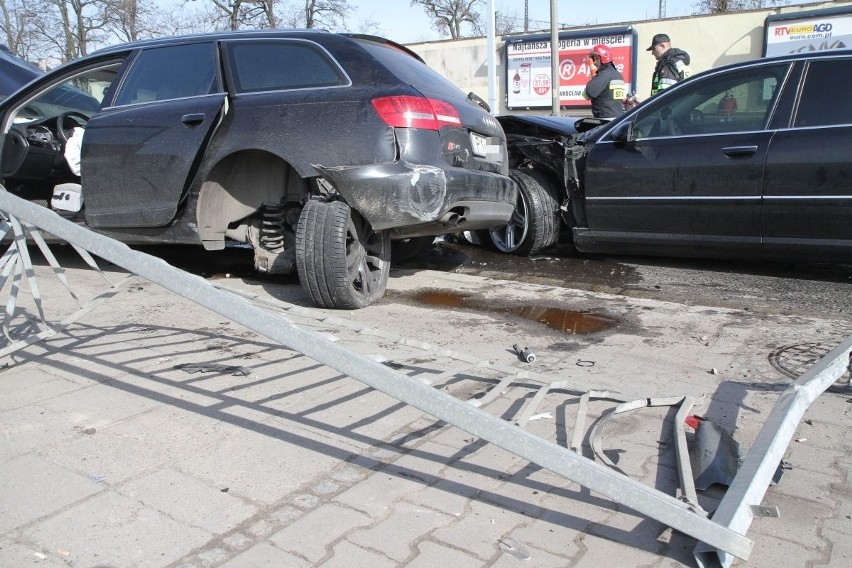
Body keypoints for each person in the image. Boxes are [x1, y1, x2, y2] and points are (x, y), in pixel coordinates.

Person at [581, 44, 626, 119]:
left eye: (596, 59)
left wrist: (594, 79)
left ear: (604, 58)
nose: (594, 62)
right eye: (593, 59)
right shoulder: (617, 74)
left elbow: (588, 94)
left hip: (605, 119)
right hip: (617, 118)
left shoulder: (604, 75)